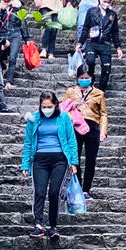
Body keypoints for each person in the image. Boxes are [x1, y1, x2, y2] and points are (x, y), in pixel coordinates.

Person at [21, 91, 79, 240]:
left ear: (56, 105)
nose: (46, 109)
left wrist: (73, 162)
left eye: (49, 106)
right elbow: (28, 142)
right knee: (39, 191)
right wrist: (25, 164)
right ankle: (38, 224)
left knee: (54, 192)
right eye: (43, 106)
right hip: (40, 159)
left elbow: (71, 140)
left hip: (59, 158)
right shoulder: (33, 118)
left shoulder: (64, 117)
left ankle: (53, 226)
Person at [61, 65, 108, 200]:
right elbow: (63, 109)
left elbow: (103, 114)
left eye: (87, 78)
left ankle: (86, 189)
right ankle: (78, 186)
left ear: (91, 78)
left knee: (91, 159)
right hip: (75, 126)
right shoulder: (71, 91)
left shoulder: (98, 93)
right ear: (77, 78)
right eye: (81, 78)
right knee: (75, 158)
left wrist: (103, 131)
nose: (84, 80)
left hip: (92, 126)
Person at [76, 0, 123, 91]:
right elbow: (85, 28)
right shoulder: (91, 12)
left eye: (108, 2)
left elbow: (115, 32)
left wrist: (118, 47)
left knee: (106, 68)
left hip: (105, 43)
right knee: (90, 61)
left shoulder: (112, 15)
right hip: (92, 42)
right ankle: (90, 83)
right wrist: (80, 42)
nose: (105, 3)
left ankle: (101, 91)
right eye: (104, 1)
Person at [0, 0, 29, 89]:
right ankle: (3, 68)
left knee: (12, 58)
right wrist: (1, 11)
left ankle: (8, 82)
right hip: (2, 35)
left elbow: (22, 22)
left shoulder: (17, 7)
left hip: (14, 34)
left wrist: (26, 38)